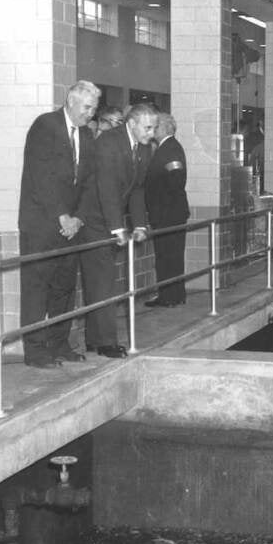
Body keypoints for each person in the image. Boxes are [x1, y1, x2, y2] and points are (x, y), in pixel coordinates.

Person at [18, 79, 100, 369]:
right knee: (36, 289)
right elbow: (41, 177)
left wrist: (78, 217)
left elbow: (90, 182)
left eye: (94, 109)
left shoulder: (87, 136)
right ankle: (36, 350)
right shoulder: (46, 126)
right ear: (71, 101)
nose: (90, 114)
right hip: (42, 223)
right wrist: (62, 215)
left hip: (72, 226)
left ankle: (59, 343)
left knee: (64, 288)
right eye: (87, 107)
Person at [77, 103, 156, 357]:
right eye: (147, 127)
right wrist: (117, 228)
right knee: (104, 281)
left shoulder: (143, 148)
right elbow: (107, 186)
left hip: (109, 217)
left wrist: (140, 223)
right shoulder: (109, 143)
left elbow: (137, 188)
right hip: (94, 218)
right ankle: (106, 342)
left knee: (101, 281)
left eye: (154, 127)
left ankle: (95, 339)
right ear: (131, 124)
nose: (151, 133)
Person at [144, 112, 190, 308]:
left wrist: (162, 203)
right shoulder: (168, 147)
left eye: (154, 126)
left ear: (163, 128)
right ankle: (175, 295)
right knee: (171, 256)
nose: (152, 130)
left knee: (167, 256)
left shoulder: (170, 149)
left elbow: (176, 179)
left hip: (168, 214)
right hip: (170, 213)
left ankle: (169, 297)